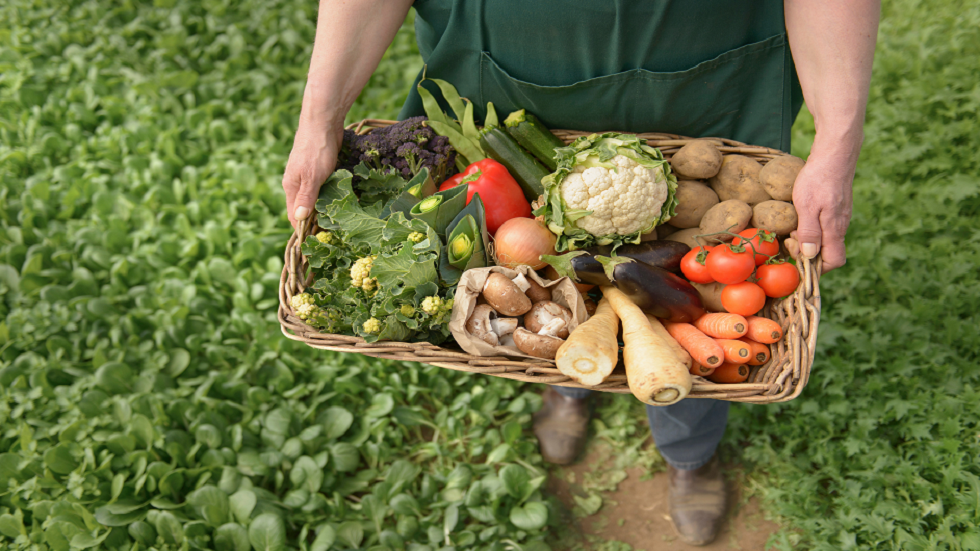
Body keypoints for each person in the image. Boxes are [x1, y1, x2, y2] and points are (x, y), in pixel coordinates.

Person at [282, 0, 880, 544]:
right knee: (552, 286)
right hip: (509, 81)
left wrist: (840, 138)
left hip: (705, 78)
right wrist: (318, 116)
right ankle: (570, 381)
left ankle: (689, 449)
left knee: (699, 310)